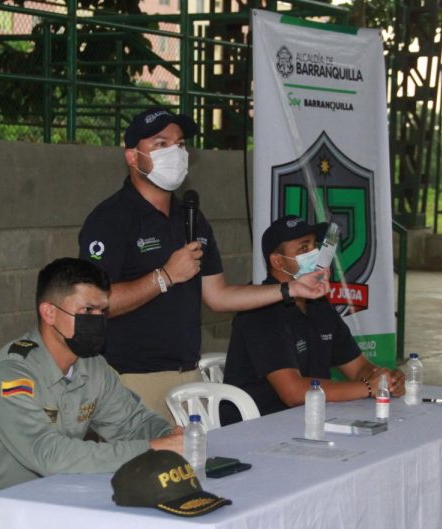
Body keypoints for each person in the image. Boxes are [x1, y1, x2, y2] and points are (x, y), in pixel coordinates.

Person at [78, 108, 327, 424]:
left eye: (180, 144)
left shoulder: (191, 219)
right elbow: (94, 304)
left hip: (188, 377)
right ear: (132, 156)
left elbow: (218, 296)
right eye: (161, 144)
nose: (175, 152)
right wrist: (165, 276)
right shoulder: (111, 219)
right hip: (132, 380)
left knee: (198, 471)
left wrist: (288, 289)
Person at [0, 258, 182, 528]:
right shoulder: (12, 374)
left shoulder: (92, 366)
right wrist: (148, 449)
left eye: (102, 311)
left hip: (47, 501)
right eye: (87, 309)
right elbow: (49, 455)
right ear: (49, 313)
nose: (97, 320)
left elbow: (132, 422)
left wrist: (168, 437)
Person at [220, 216, 405, 425]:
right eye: (303, 248)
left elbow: (357, 366)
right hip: (259, 426)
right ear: (277, 261)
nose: (314, 254)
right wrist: (368, 387)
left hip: (310, 418)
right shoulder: (259, 309)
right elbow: (294, 393)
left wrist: (383, 378)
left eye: (314, 246)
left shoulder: (318, 303)